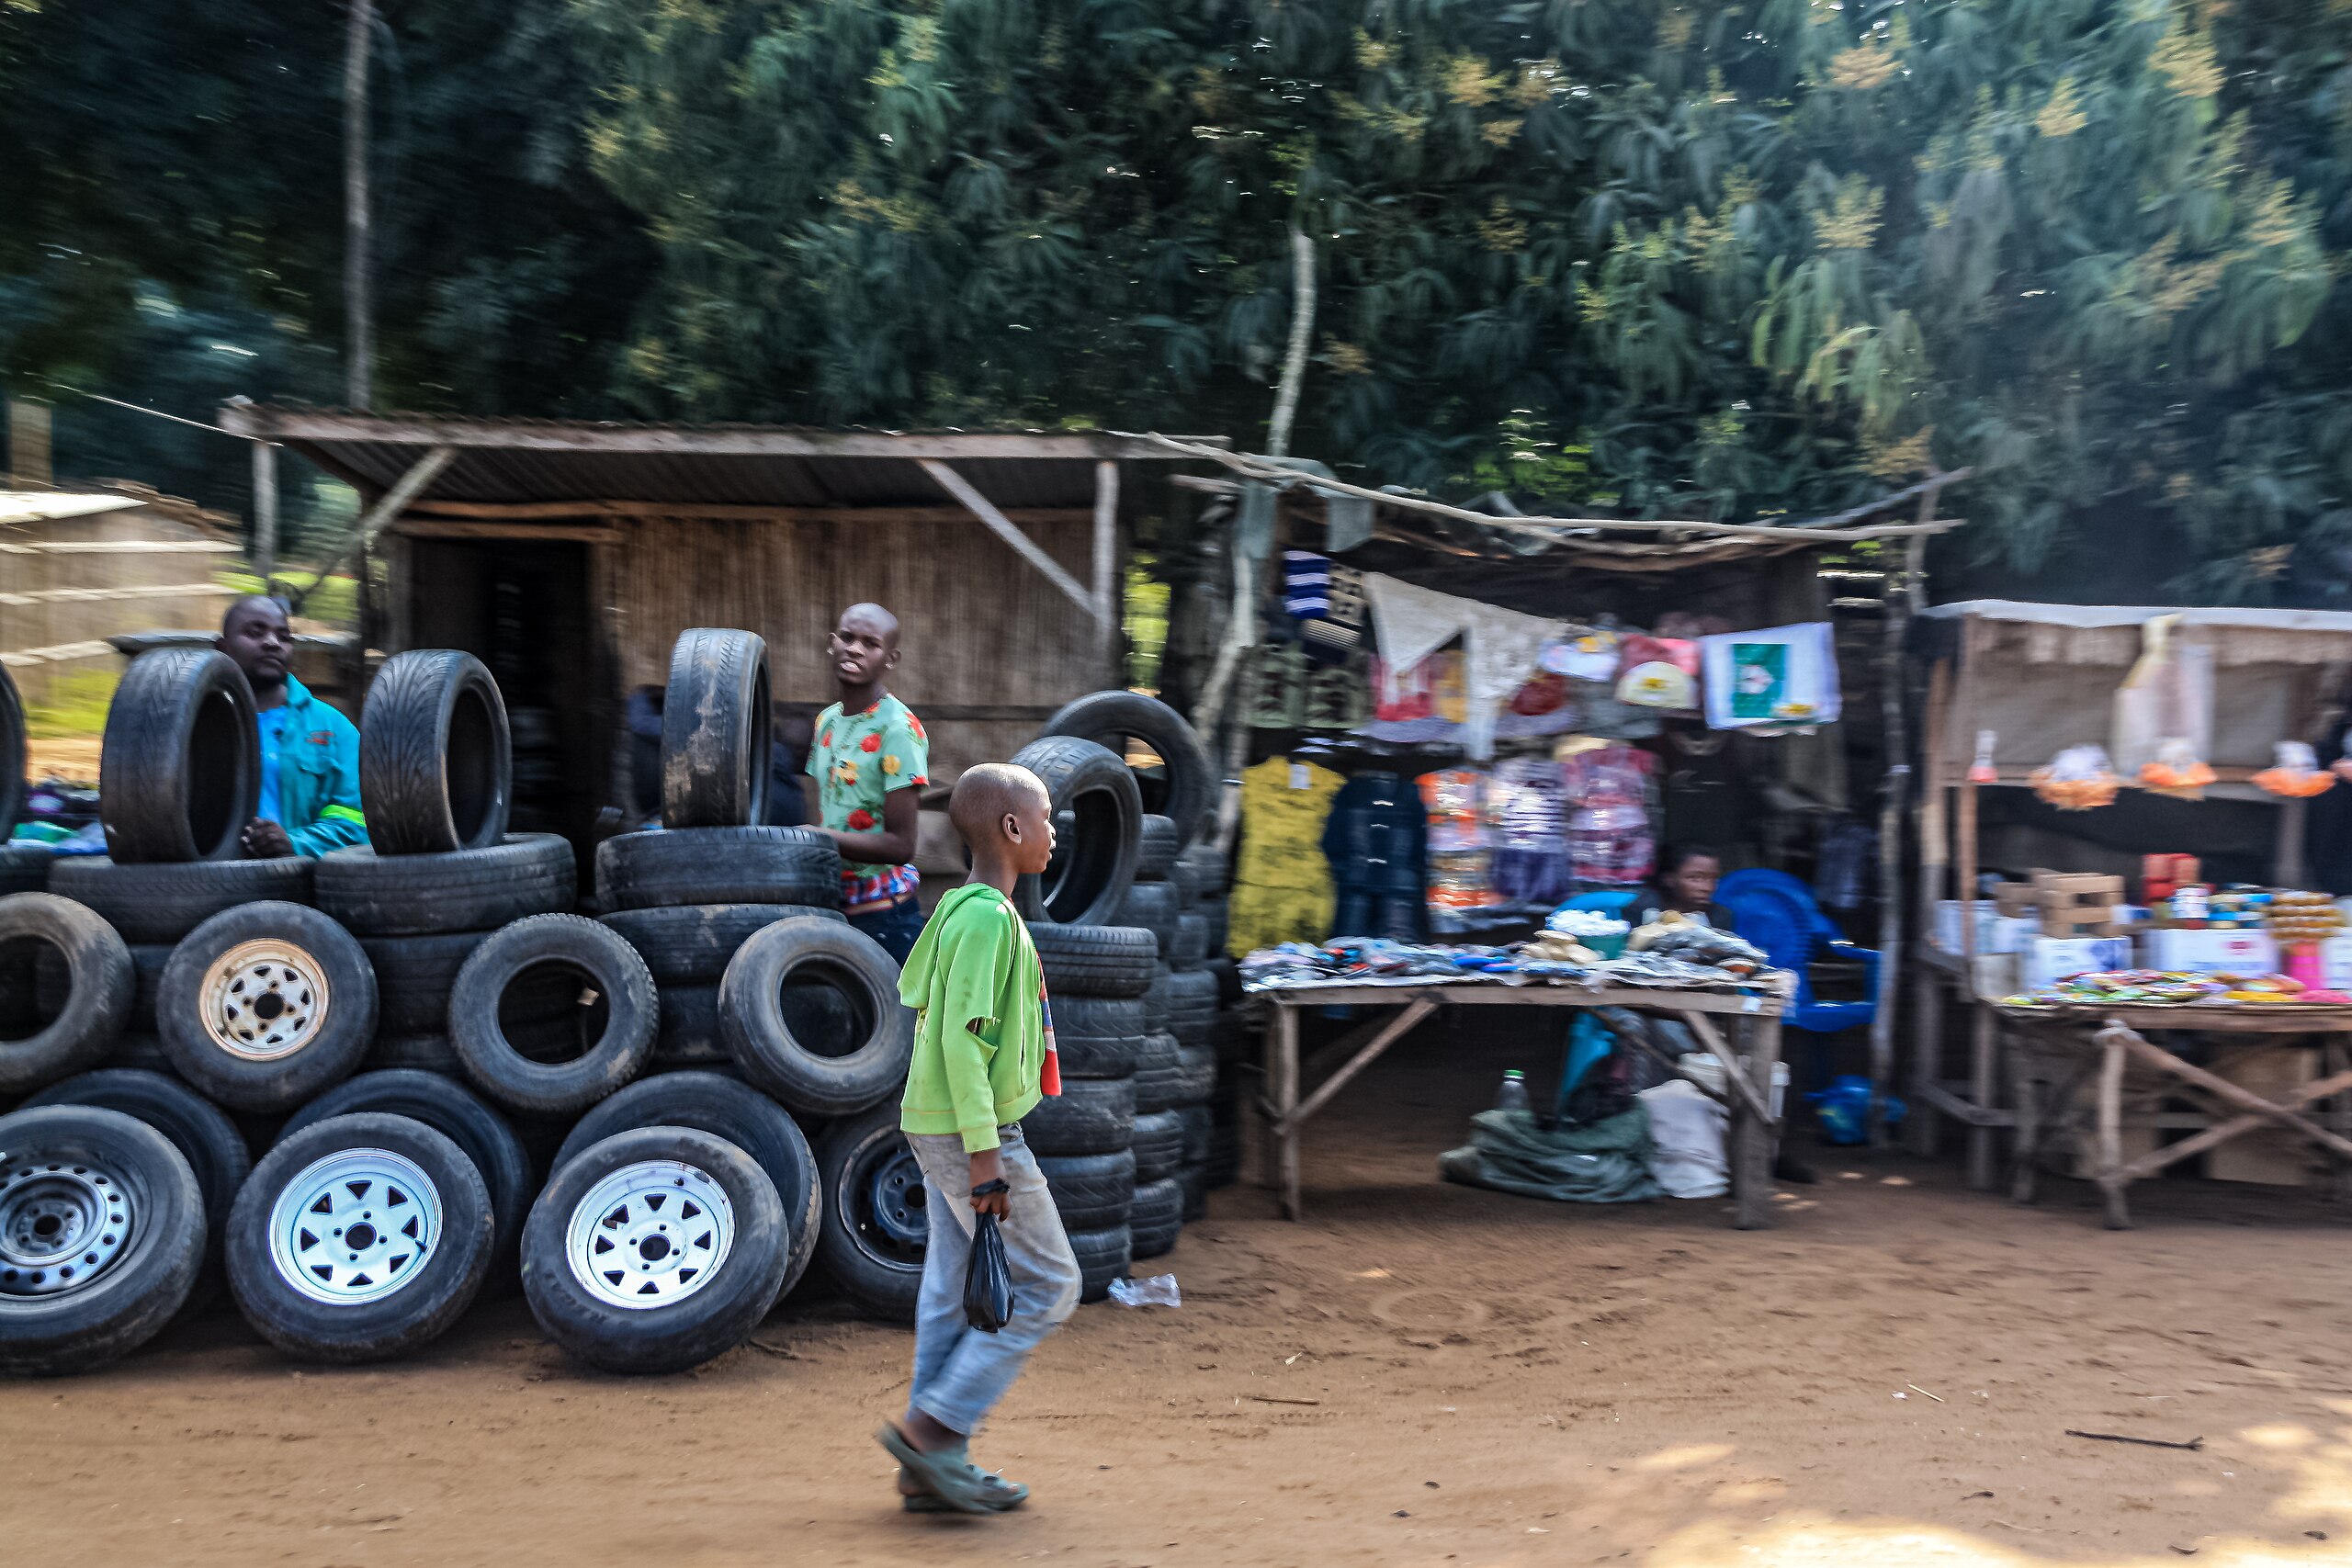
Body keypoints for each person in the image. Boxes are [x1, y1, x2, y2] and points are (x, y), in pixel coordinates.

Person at [879, 762, 1081, 1515]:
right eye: (1047, 817)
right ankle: (931, 1427)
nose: (1054, 831)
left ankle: (930, 1466)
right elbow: (964, 1046)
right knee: (1052, 1285)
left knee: (948, 1286)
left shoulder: (963, 908)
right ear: (1010, 828)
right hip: (971, 1131)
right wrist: (987, 1161)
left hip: (939, 1124)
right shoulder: (988, 920)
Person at [808, 604, 929, 962]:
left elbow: (901, 845)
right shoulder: (826, 722)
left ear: (890, 658)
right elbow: (825, 813)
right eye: (847, 638)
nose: (855, 649)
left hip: (883, 916)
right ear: (832, 644)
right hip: (831, 904)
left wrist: (818, 841)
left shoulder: (899, 729)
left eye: (870, 644)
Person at [215, 595, 366, 859]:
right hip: (203, 884)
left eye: (284, 637)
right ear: (222, 648)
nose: (272, 643)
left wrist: (294, 843)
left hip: (299, 889)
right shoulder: (191, 722)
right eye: (255, 633)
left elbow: (359, 821)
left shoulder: (333, 727)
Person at [1628, 842, 1736, 931]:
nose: (1707, 888)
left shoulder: (1720, 916)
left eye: (1713, 879)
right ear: (1669, 879)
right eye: (1695, 878)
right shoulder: (1643, 909)